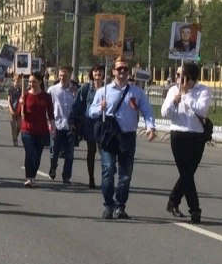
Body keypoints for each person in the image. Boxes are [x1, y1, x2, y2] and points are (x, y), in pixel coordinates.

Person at [87, 60, 157, 219]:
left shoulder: (136, 92)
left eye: (125, 69)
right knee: (108, 170)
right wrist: (100, 108)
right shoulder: (103, 91)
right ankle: (108, 205)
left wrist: (150, 127)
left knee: (125, 175)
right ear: (113, 71)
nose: (123, 71)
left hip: (127, 136)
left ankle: (120, 205)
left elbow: (147, 111)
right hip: (108, 137)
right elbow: (90, 112)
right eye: (119, 69)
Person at [162, 61, 212, 224]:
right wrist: (174, 102)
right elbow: (164, 113)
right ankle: (195, 209)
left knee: (188, 172)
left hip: (197, 136)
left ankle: (173, 199)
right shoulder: (172, 90)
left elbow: (201, 109)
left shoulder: (203, 90)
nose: (176, 78)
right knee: (186, 173)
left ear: (189, 79)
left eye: (179, 75)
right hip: (178, 134)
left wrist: (186, 95)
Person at [14, 71, 53, 187]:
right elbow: (18, 113)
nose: (31, 84)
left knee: (37, 155)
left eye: (34, 82)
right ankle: (28, 177)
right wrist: (21, 104)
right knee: (30, 152)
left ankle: (33, 176)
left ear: (40, 82)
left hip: (41, 130)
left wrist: (53, 123)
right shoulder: (25, 95)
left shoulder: (46, 96)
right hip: (27, 130)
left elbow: (50, 112)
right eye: (30, 82)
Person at [71, 66, 105, 189]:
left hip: (104, 125)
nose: (98, 73)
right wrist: (72, 121)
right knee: (91, 151)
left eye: (100, 71)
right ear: (92, 73)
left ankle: (105, 179)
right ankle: (91, 179)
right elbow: (77, 105)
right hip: (90, 124)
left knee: (104, 152)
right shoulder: (86, 88)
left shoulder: (108, 89)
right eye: (95, 71)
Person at [46, 65, 76, 185]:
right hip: (56, 126)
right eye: (61, 75)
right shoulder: (52, 90)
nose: (63, 77)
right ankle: (53, 167)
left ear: (70, 77)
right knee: (54, 153)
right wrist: (48, 122)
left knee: (69, 154)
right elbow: (47, 108)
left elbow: (77, 108)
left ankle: (66, 176)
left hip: (69, 127)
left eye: (65, 76)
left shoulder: (74, 91)